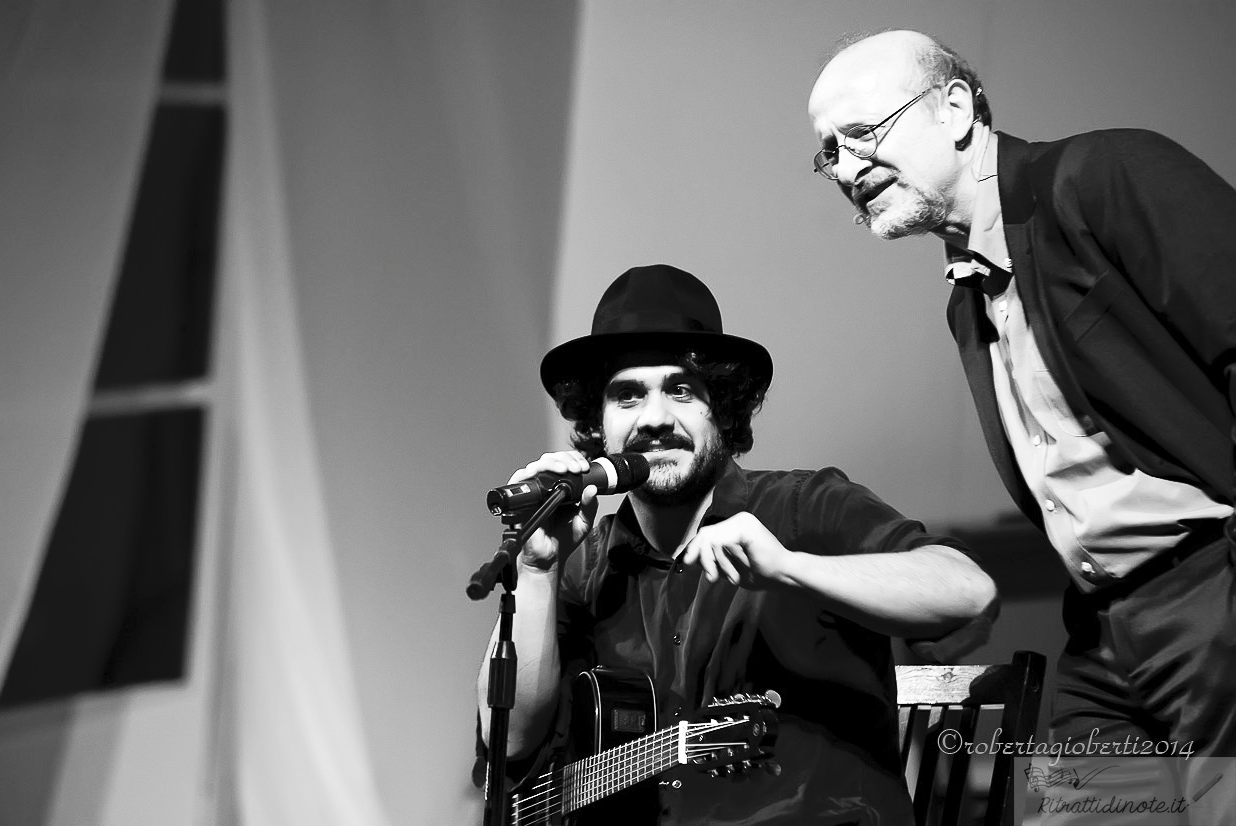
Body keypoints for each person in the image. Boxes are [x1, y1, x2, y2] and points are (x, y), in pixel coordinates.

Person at [807, 29, 1236, 822]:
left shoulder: (1102, 176)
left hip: (1209, 593)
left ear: (957, 109)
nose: (844, 166)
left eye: (861, 133)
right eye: (827, 152)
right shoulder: (963, 304)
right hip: (1104, 636)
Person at [476, 263, 997, 825]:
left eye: (680, 390)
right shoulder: (585, 562)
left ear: (721, 409)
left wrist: (790, 567)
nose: (654, 418)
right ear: (598, 427)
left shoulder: (804, 506)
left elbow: (969, 592)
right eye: (627, 397)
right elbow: (510, 743)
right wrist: (536, 569)